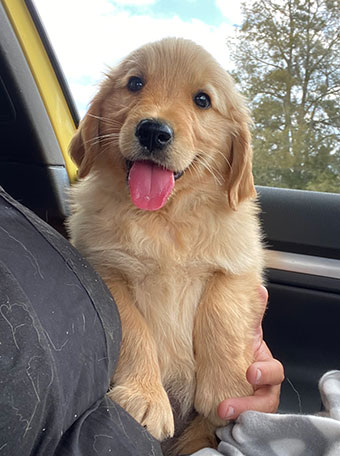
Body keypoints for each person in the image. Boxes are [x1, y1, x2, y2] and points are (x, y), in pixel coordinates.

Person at [0, 186, 283, 456]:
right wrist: (139, 374)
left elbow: (241, 276)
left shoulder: (230, 218)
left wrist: (232, 358)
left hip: (204, 428)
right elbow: (99, 286)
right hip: (109, 419)